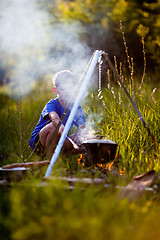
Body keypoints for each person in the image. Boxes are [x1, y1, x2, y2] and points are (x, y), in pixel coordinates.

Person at [29, 70, 86, 160]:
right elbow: (53, 117)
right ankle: (51, 163)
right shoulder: (52, 104)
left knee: (84, 138)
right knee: (54, 126)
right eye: (63, 89)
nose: (67, 92)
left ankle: (62, 157)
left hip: (60, 138)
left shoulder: (76, 107)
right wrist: (60, 126)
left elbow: (82, 127)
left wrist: (84, 136)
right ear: (55, 90)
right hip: (40, 142)